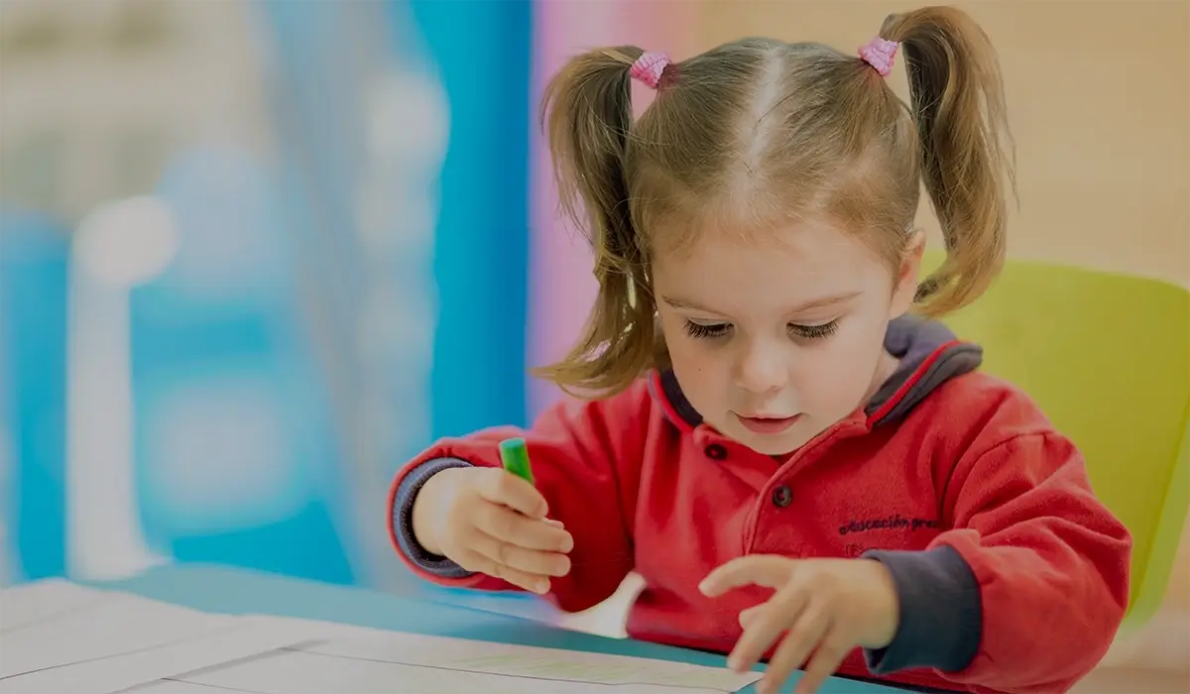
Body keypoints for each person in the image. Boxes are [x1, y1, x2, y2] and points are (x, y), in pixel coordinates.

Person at [387, 6, 1132, 694]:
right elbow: (538, 509)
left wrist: (897, 601)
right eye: (708, 328)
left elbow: (1079, 593)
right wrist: (447, 507)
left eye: (811, 329)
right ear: (653, 281)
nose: (758, 378)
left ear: (903, 274)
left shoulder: (981, 434)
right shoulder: (645, 422)